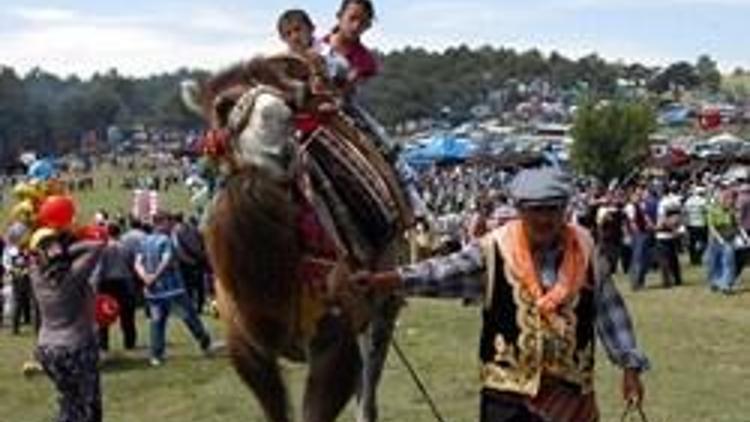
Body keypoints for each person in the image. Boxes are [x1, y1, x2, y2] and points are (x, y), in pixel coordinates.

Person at [348, 168, 649, 422]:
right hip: (507, 402)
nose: (545, 219)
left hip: (571, 398)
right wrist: (383, 281)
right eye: (536, 210)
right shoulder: (493, 250)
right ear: (520, 210)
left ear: (565, 210)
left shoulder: (586, 250)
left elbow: (610, 312)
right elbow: (441, 273)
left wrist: (630, 367)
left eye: (553, 209)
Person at [29, 228, 104, 422]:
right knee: (88, 404)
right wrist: (67, 248)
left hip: (47, 349)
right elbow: (96, 246)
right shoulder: (73, 277)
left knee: (69, 400)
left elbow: (33, 259)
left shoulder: (36, 277)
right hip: (76, 347)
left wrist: (45, 252)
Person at [134, 212, 214, 366]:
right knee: (189, 317)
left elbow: (137, 263)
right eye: (168, 222)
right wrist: (155, 276)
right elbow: (166, 260)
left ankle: (156, 355)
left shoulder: (144, 240)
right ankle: (205, 342)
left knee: (157, 322)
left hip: (154, 292)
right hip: (173, 289)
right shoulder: (165, 239)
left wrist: (146, 277)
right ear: (162, 223)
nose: (171, 226)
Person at [95, 223, 138, 353]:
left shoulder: (102, 248)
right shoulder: (126, 247)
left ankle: (103, 343)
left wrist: (96, 284)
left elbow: (99, 268)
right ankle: (129, 342)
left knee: (102, 314)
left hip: (106, 282)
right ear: (119, 233)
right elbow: (132, 264)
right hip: (124, 281)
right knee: (127, 315)